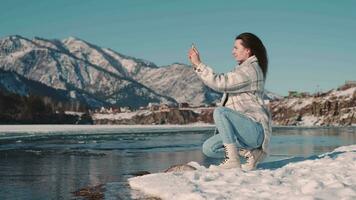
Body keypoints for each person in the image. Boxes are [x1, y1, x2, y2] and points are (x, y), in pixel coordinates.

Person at [188, 32, 272, 170]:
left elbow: (220, 83)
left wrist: (198, 64)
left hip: (254, 129)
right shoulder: (243, 69)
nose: (232, 52)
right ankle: (252, 153)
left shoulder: (250, 70)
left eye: (235, 48)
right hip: (243, 131)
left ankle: (233, 160)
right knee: (208, 148)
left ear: (247, 50)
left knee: (221, 112)